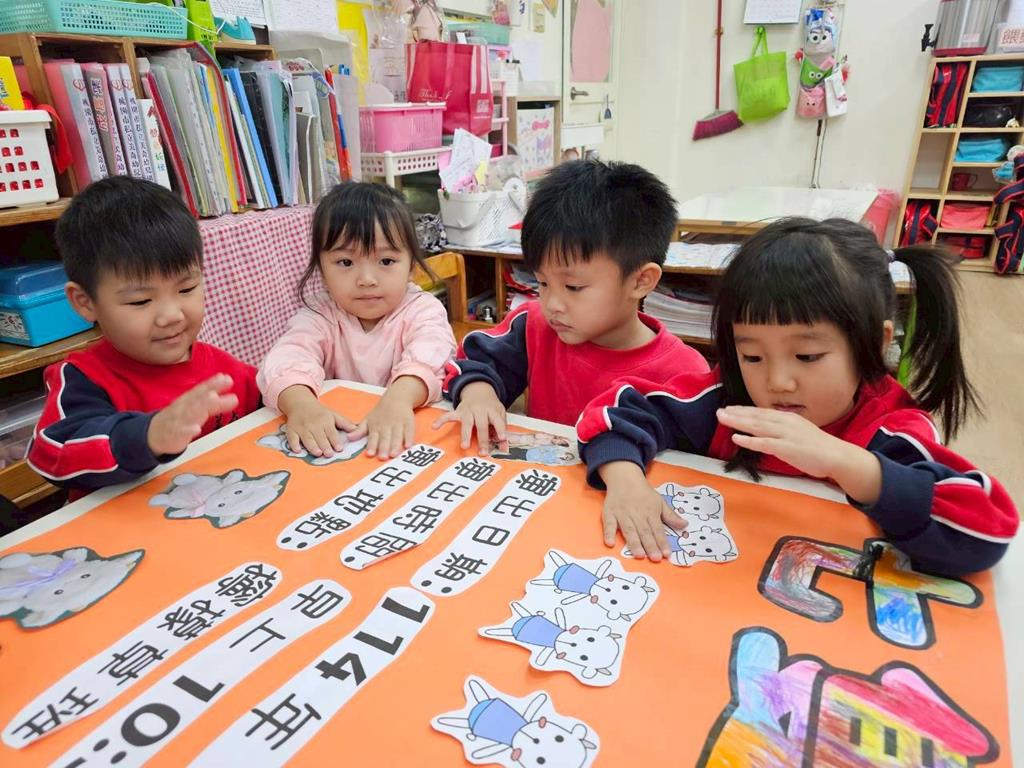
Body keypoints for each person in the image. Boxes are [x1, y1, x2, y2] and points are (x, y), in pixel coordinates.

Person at [577, 217, 1018, 575]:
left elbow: (987, 531)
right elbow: (616, 410)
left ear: (875, 343)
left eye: (807, 356)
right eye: (752, 356)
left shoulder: (893, 428)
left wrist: (846, 462)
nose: (777, 382)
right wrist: (625, 478)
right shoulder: (729, 404)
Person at [436, 159, 709, 452]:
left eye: (573, 287)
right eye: (542, 282)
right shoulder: (534, 326)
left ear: (640, 281)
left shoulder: (685, 375)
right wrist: (479, 393)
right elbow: (478, 361)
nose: (552, 304)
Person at [28, 177, 260, 497]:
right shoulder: (83, 378)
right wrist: (148, 436)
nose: (172, 315)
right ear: (85, 302)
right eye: (140, 301)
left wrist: (294, 398)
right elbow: (50, 454)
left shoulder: (219, 366)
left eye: (186, 289)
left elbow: (269, 390)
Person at [258, 182, 456, 460]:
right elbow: (288, 357)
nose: (366, 280)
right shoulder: (321, 313)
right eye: (346, 262)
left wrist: (399, 398)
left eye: (386, 261)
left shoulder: (422, 309)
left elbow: (433, 356)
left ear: (411, 265)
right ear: (322, 269)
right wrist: (300, 404)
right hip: (343, 444)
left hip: (406, 440)